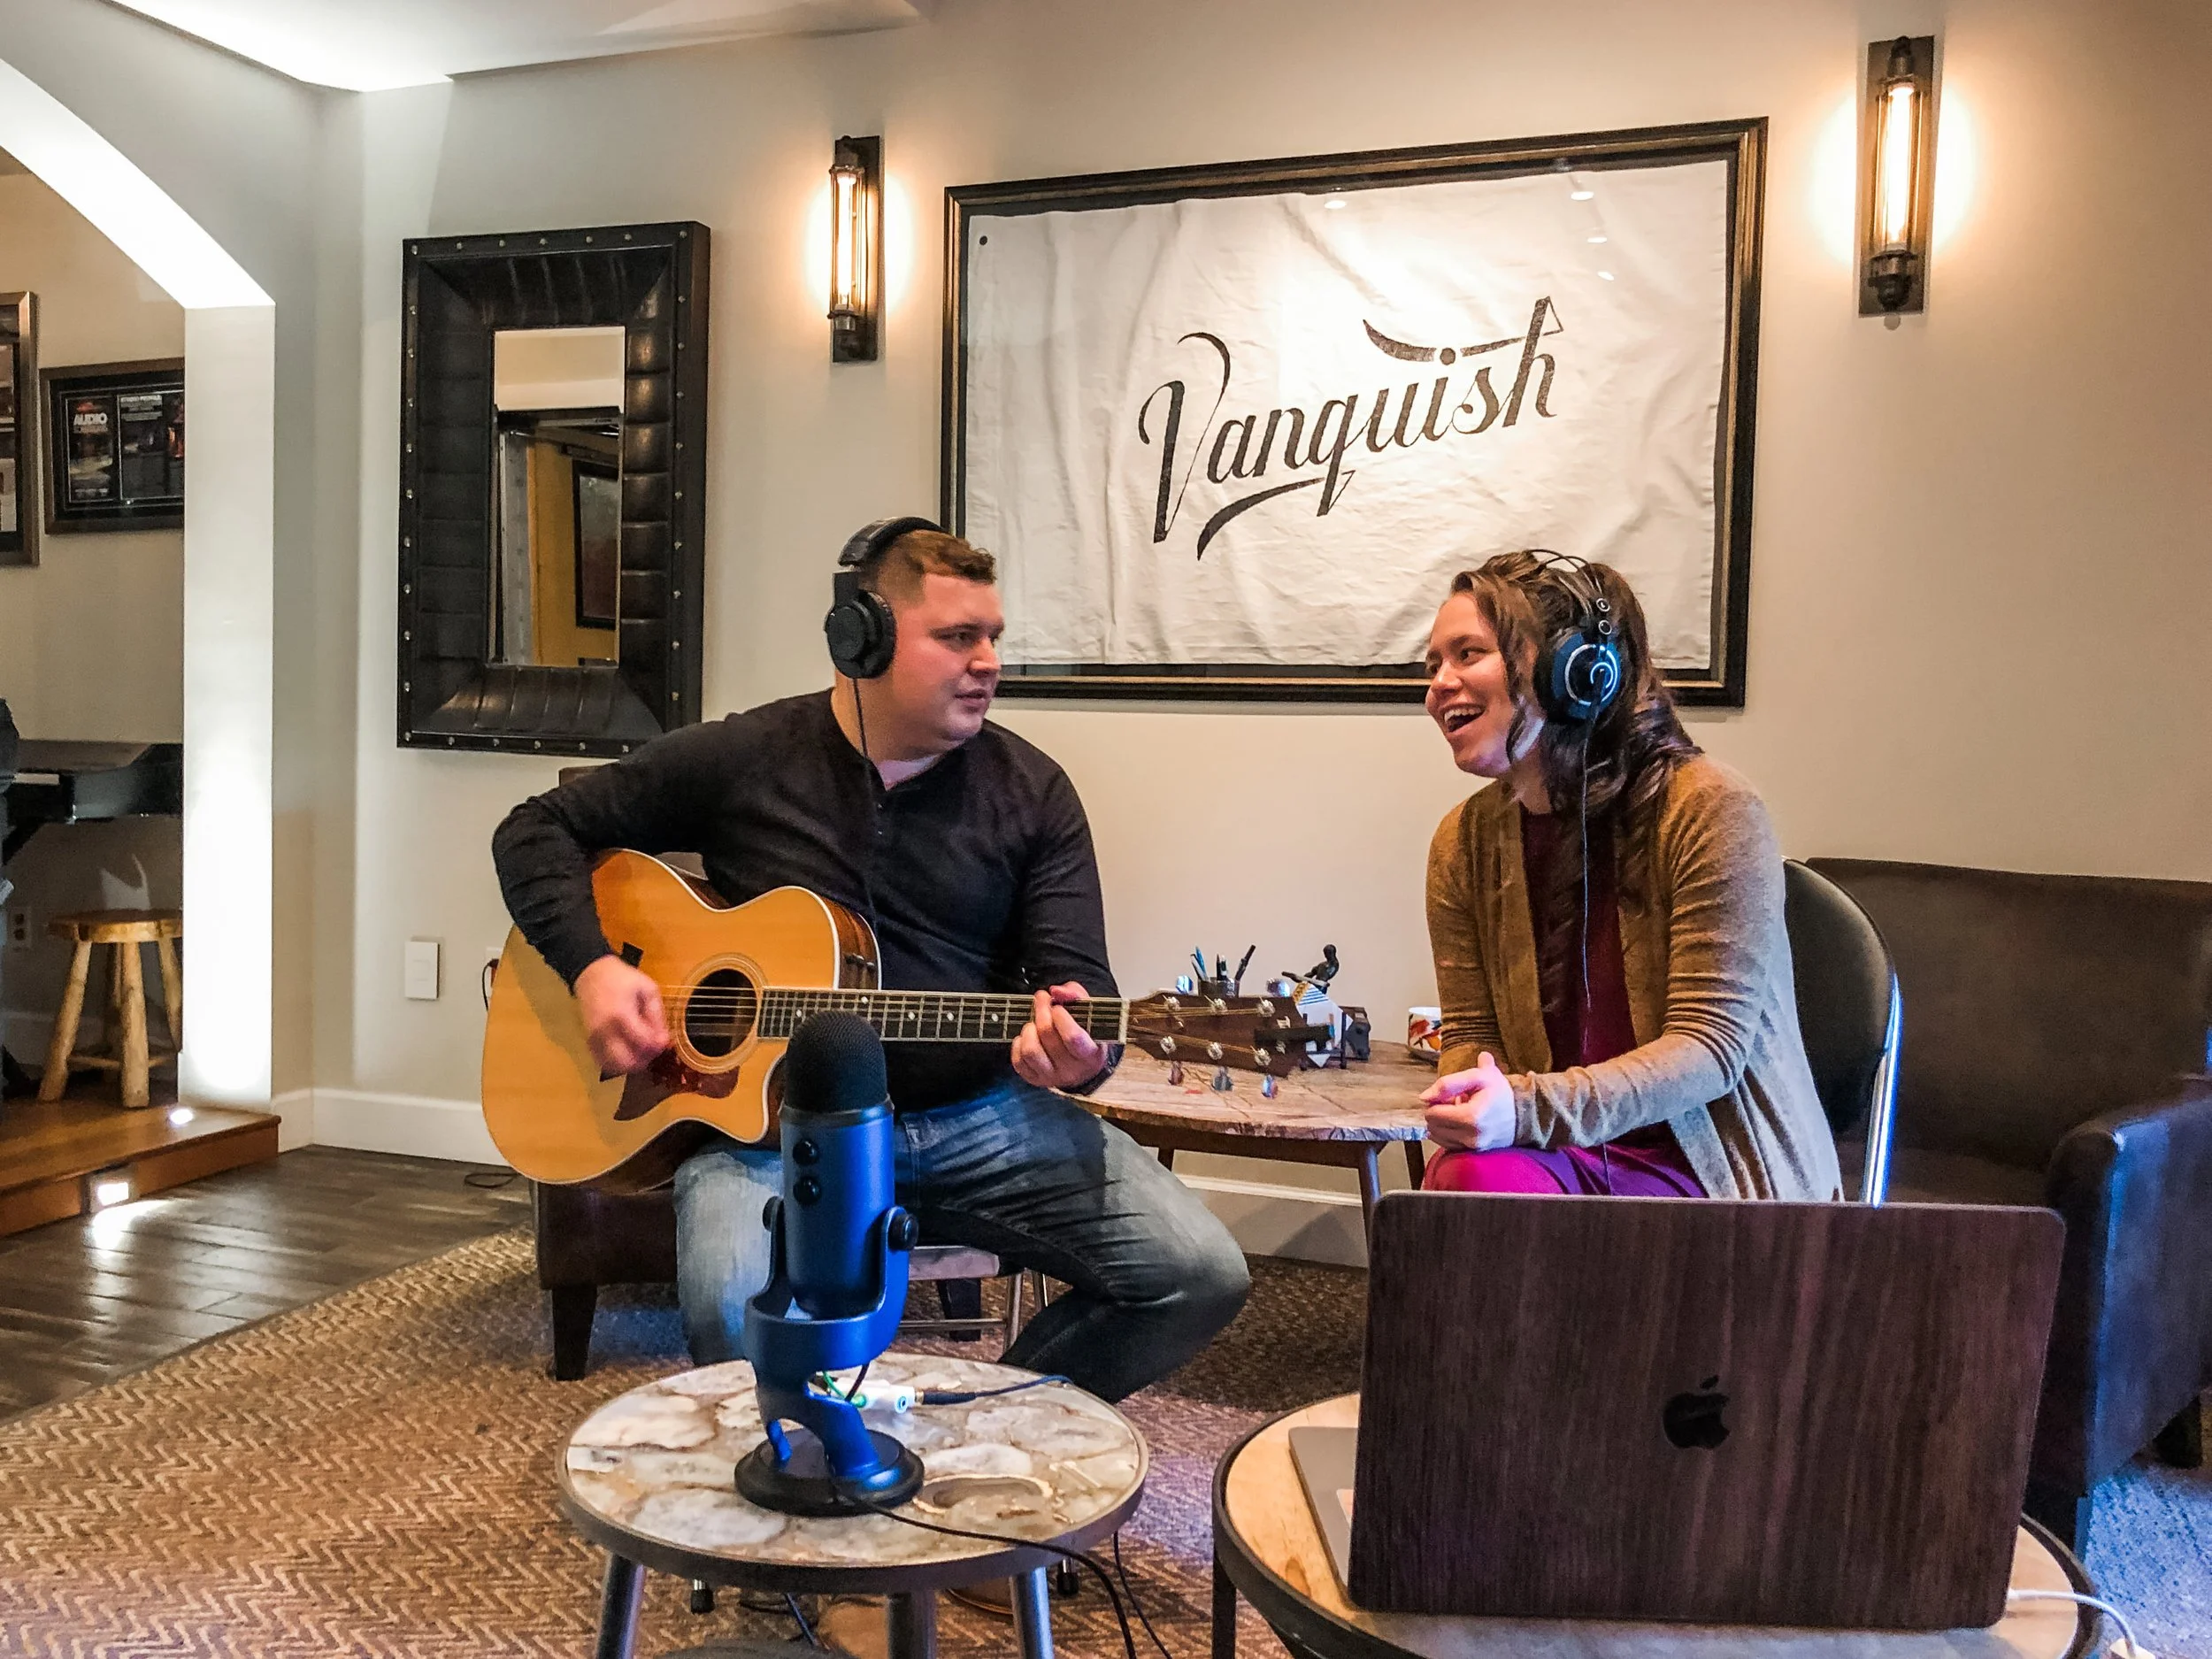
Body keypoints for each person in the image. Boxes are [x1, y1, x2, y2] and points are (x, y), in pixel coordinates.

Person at [491, 520, 1249, 1401]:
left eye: (994, 637)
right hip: (769, 1135)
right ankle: (800, 1457)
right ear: (864, 638)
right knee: (731, 1310)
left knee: (1197, 1272)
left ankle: (980, 1422)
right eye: (957, 637)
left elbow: (1082, 986)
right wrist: (593, 967)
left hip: (978, 1119)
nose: (988, 662)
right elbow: (535, 829)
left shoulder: (1033, 792)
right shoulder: (745, 757)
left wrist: (1083, 1053)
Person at [1417, 550, 1840, 1201]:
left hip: (1709, 1174)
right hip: (1558, 1154)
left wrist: (1526, 1109)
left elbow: (1709, 1049)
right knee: (1466, 1177)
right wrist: (1472, 1105)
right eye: (1431, 666)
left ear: (1572, 670)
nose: (1439, 685)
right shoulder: (1461, 842)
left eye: (1468, 654)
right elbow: (1472, 1037)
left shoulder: (1712, 808)